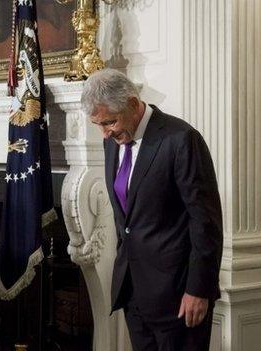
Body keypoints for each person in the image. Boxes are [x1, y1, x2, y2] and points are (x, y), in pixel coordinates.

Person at [81, 69, 223, 350]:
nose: (105, 132)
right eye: (98, 124)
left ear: (133, 104)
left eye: (109, 122)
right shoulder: (113, 141)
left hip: (178, 297)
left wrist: (199, 289)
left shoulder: (181, 139)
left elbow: (205, 222)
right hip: (134, 293)